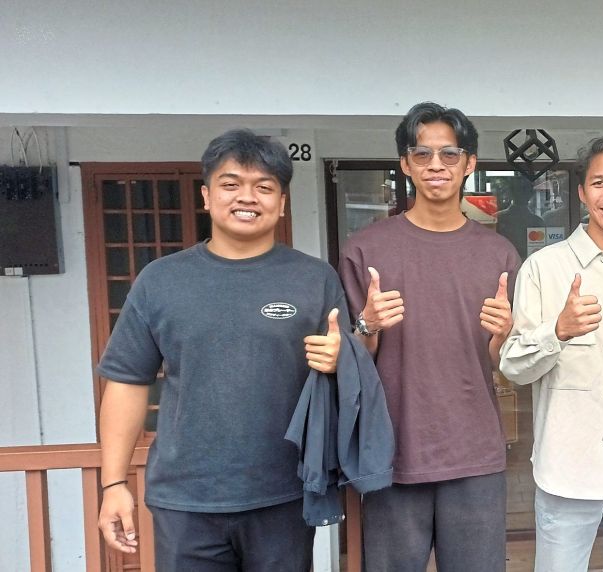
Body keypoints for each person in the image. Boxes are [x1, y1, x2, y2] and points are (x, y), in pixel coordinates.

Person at [96, 129, 347, 570]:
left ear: (282, 202)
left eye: (264, 187)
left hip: (284, 493)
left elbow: (351, 373)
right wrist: (113, 482)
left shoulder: (314, 278)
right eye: (231, 184)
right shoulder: (161, 280)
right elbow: (127, 381)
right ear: (207, 196)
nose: (247, 197)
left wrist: (342, 358)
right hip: (185, 499)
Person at [341, 101, 519, 571]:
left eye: (449, 154)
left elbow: (503, 363)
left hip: (475, 451)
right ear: (405, 164)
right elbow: (350, 363)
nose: (436, 165)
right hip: (393, 452)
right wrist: (368, 325)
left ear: (469, 163)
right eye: (422, 154)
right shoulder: (365, 250)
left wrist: (503, 336)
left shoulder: (498, 254)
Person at [500, 135, 603, 571]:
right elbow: (514, 365)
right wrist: (558, 331)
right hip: (567, 467)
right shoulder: (544, 267)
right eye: (599, 183)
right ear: (581, 192)